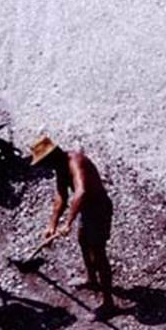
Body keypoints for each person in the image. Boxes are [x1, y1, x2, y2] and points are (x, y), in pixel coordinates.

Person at [29, 135, 117, 319]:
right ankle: (92, 280)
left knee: (98, 253)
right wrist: (52, 224)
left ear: (51, 157)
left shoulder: (75, 162)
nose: (44, 167)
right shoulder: (60, 167)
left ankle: (109, 304)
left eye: (43, 163)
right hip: (87, 211)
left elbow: (81, 192)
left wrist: (68, 222)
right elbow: (61, 196)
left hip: (99, 211)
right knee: (83, 242)